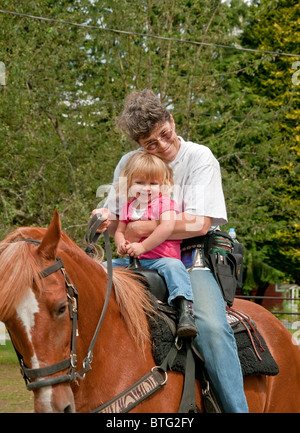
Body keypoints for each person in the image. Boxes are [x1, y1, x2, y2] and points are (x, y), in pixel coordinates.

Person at [91, 89, 248, 413]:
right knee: (91, 295)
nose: (162, 146)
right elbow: (115, 210)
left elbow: (200, 223)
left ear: (171, 120)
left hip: (191, 256)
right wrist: (104, 218)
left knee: (211, 328)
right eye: (150, 143)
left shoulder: (199, 158)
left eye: (164, 134)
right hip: (136, 255)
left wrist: (143, 229)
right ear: (139, 145)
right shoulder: (128, 164)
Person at [112, 150, 197, 337]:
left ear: (162, 185)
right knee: (104, 267)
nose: (146, 188)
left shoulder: (165, 203)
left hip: (162, 258)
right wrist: (121, 244)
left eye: (153, 183)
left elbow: (166, 227)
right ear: (130, 184)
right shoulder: (129, 206)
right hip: (135, 259)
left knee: (175, 267)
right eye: (140, 183)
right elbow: (120, 231)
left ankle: (185, 309)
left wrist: (142, 246)